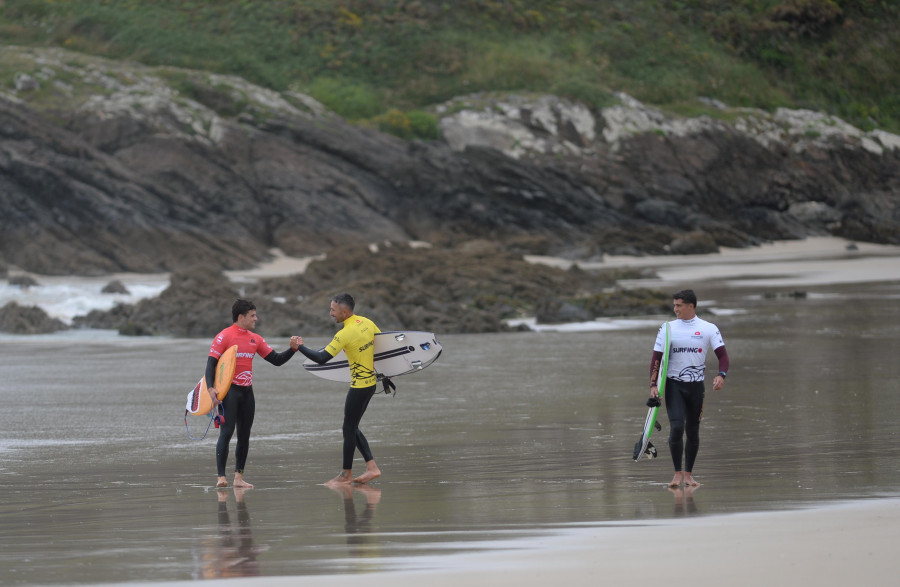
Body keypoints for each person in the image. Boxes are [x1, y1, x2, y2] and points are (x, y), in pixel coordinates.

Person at [206, 299, 301, 489]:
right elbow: (211, 364)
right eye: (252, 315)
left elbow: (276, 360)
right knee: (226, 433)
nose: (256, 319)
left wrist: (292, 349)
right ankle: (221, 477)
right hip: (229, 392)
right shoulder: (224, 336)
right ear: (241, 317)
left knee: (244, 435)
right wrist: (211, 389)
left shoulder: (255, 339)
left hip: (247, 392)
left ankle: (238, 478)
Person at [296, 293, 383, 487]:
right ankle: (371, 468)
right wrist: (388, 373)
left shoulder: (344, 334)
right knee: (351, 427)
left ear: (344, 312)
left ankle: (346, 475)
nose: (330, 314)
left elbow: (321, 358)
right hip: (371, 384)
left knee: (348, 428)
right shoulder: (367, 322)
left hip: (359, 386)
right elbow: (382, 347)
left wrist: (299, 347)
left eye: (333, 310)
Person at [648, 289, 730, 488]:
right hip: (674, 385)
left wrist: (721, 375)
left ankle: (688, 475)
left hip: (696, 387)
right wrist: (653, 385)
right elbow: (656, 359)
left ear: (690, 306)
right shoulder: (667, 329)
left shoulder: (708, 328)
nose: (675, 309)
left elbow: (723, 357)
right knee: (677, 427)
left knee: (693, 431)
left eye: (679, 305)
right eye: (674, 305)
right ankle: (677, 474)